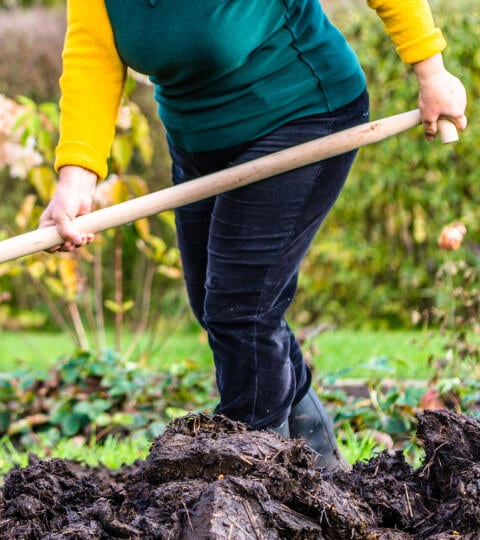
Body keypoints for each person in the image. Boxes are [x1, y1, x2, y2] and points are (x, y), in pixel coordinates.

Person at [39, 0, 468, 470]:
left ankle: (254, 480)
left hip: (300, 113)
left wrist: (432, 70)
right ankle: (321, 470)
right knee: (219, 309)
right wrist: (75, 180)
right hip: (199, 140)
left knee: (241, 311)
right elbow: (92, 56)